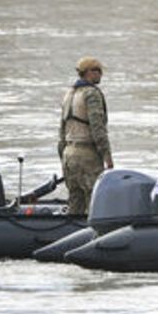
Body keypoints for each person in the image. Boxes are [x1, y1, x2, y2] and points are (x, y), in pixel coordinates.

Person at [57, 56, 114, 216]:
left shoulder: (69, 94)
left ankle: (72, 227)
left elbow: (61, 131)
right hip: (87, 154)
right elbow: (98, 128)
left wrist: (62, 156)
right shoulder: (91, 94)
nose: (101, 74)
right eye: (98, 71)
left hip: (69, 154)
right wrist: (107, 157)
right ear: (89, 72)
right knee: (94, 200)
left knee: (75, 201)